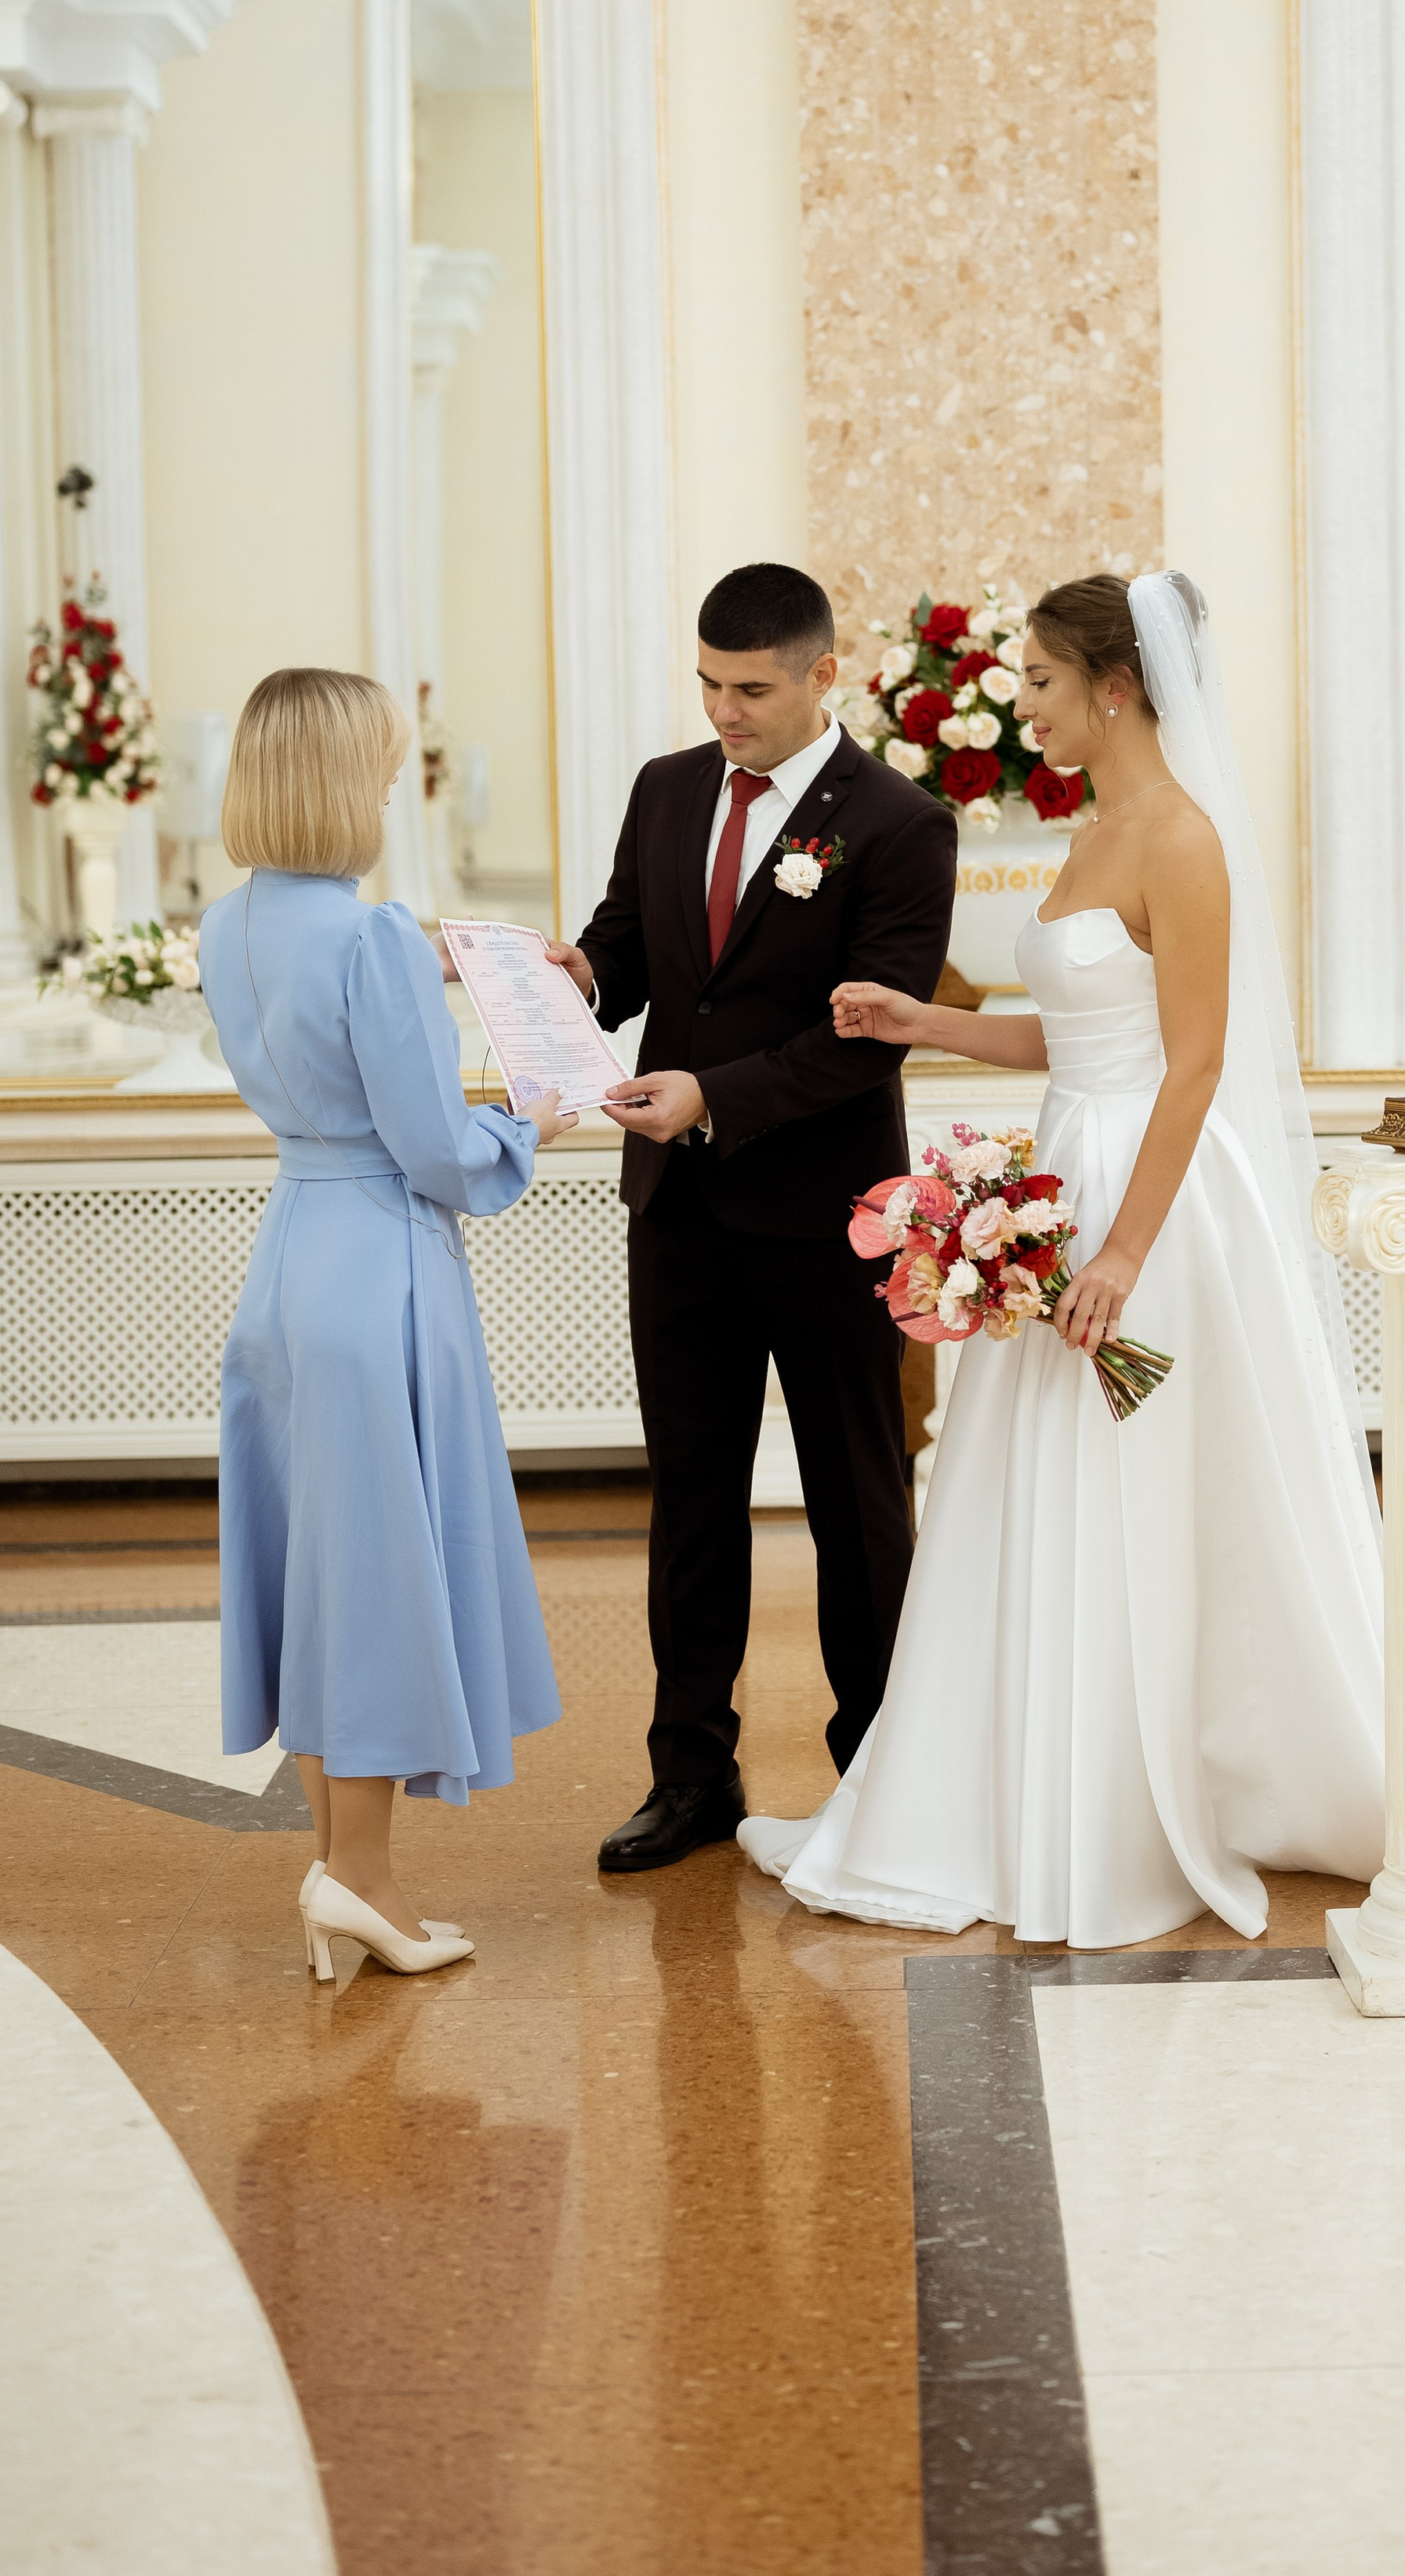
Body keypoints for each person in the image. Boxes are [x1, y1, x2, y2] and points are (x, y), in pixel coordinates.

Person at [739, 571, 1385, 1948]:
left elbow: (1196, 1064)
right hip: (1063, 1173)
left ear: (1115, 686)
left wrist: (1125, 1255)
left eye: (1037, 681)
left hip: (1154, 1204)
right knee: (1026, 1482)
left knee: (1137, 1482)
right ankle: (993, 1793)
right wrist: (920, 1024)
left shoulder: (1185, 841)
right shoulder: (1093, 830)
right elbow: (1077, 1036)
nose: (1021, 705)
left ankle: (1132, 1804)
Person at [550, 562, 957, 1875]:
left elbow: (865, 1046)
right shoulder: (668, 791)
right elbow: (631, 945)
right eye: (712, 686)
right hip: (678, 1213)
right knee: (693, 1499)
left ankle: (882, 1771)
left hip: (829, 1214)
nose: (725, 712)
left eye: (752, 689)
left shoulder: (899, 823)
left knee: (857, 1501)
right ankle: (691, 1777)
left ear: (823, 676)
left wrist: (709, 1097)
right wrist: (577, 972)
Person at [201, 668, 570, 1981]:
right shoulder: (373, 938)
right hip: (380, 1265)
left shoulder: (224, 926)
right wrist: (533, 1122)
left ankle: (342, 1871)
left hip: (288, 1260)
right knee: (373, 1582)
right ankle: (360, 1879)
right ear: (346, 778)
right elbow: (430, 1146)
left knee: (321, 1570)